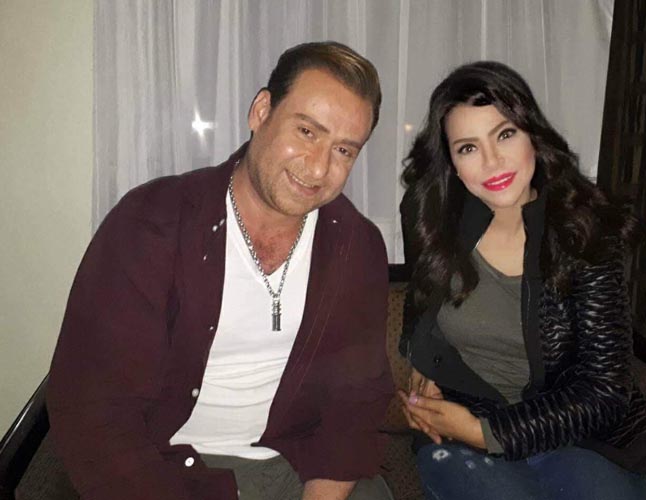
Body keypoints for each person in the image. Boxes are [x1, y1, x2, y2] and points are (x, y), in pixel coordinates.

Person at [47, 41, 395, 500]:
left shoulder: (356, 246)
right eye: (307, 131)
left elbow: (356, 407)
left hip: (302, 466)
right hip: (169, 468)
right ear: (261, 111)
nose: (319, 168)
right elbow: (96, 411)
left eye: (344, 150)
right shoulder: (152, 224)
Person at [397, 61, 646, 500]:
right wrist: (422, 361)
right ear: (451, 161)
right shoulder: (430, 214)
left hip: (576, 433)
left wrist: (485, 431)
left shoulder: (584, 231)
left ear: (533, 136)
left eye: (505, 134)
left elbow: (605, 391)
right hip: (466, 429)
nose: (492, 161)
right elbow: (420, 299)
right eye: (468, 148)